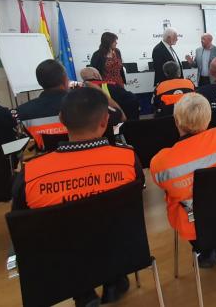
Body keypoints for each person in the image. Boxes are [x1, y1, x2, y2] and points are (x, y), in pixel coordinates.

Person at [12, 87, 143, 306]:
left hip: (61, 260)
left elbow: (22, 222)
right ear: (104, 121)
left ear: (62, 119)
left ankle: (84, 294)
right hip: (121, 248)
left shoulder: (31, 173)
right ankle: (113, 280)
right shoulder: (128, 159)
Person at [150, 93, 216, 268]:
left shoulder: (161, 162)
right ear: (208, 118)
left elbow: (164, 187)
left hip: (194, 223)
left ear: (176, 121)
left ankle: (207, 249)